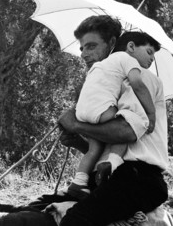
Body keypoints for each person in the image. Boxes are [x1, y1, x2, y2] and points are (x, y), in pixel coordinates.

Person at [29, 16, 169, 226]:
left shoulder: (142, 80)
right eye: (82, 48)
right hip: (116, 174)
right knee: (41, 212)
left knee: (78, 222)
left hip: (140, 177)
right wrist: (77, 139)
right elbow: (105, 148)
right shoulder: (109, 84)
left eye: (91, 46)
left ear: (113, 45)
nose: (85, 54)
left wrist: (75, 121)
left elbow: (126, 134)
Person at [67, 30, 160, 200]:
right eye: (149, 52)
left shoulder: (100, 65)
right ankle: (113, 162)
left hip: (82, 110)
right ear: (131, 46)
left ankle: (78, 182)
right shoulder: (129, 60)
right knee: (128, 123)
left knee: (94, 148)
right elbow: (137, 84)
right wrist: (151, 112)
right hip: (103, 109)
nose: (152, 59)